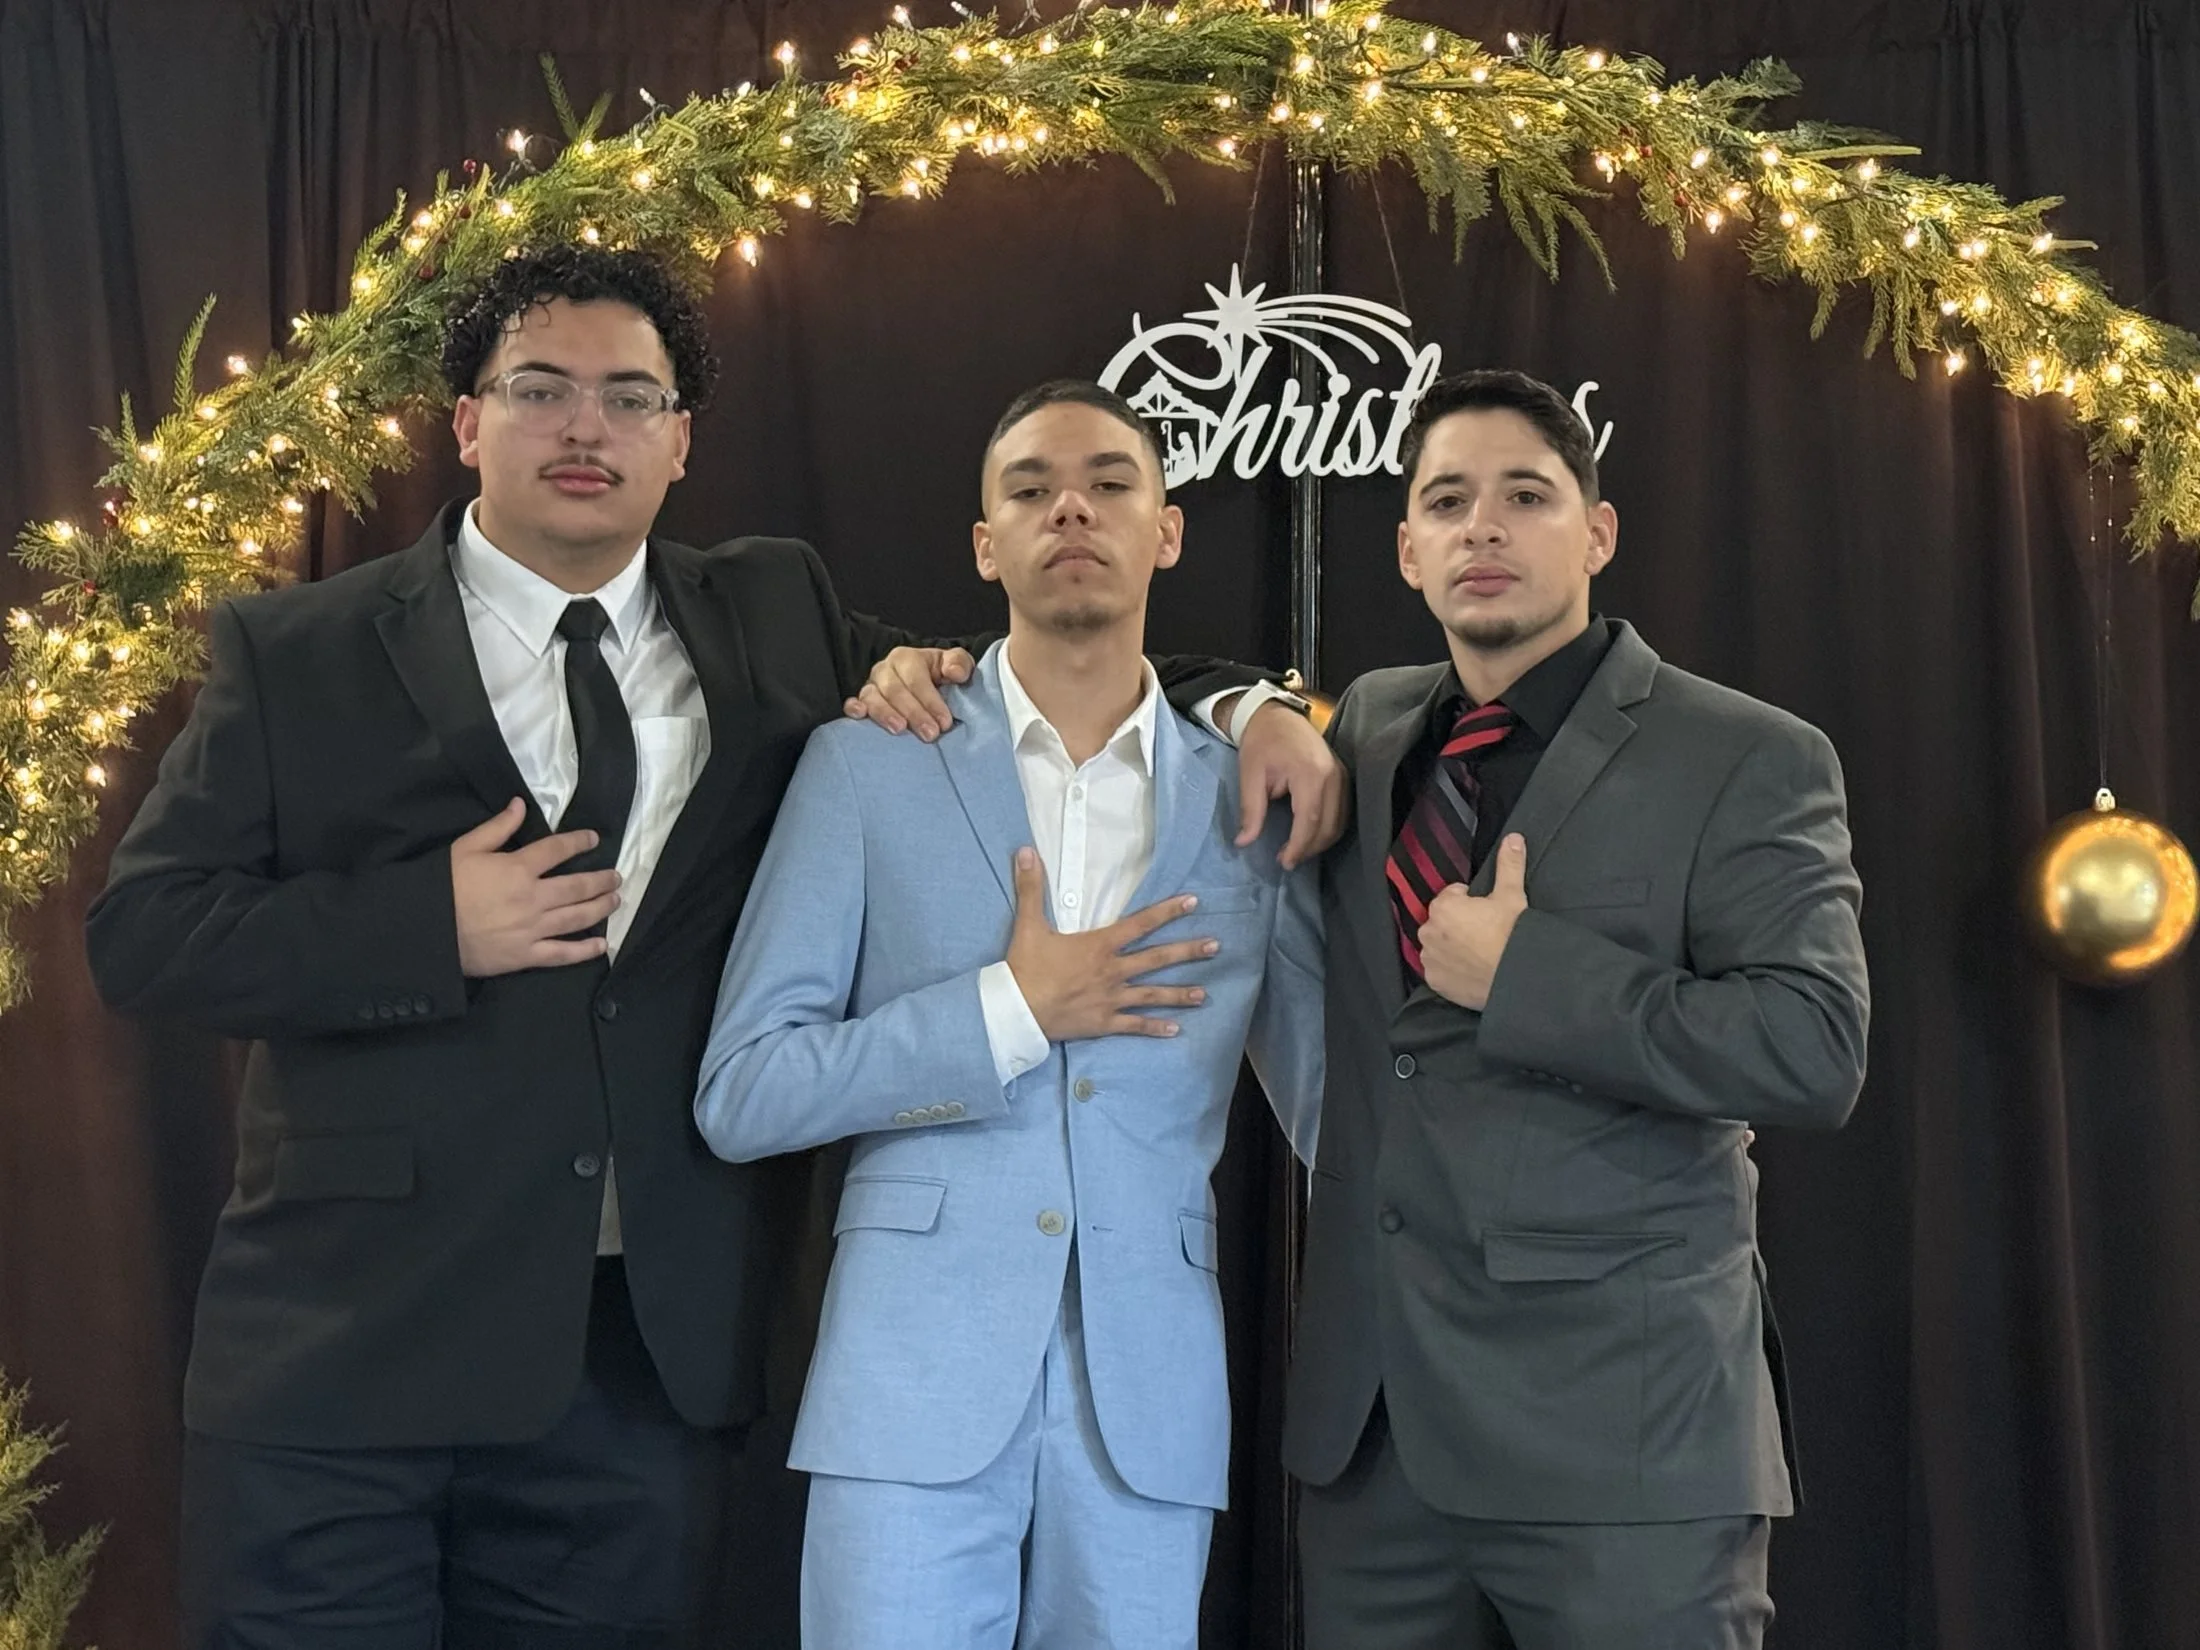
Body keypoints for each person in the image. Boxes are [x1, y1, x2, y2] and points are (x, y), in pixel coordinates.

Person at [82, 246, 1340, 1647]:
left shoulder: (772, 617)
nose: (584, 427)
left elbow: (1054, 660)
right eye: (540, 389)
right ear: (465, 423)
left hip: (634, 1361)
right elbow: (144, 933)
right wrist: (427, 922)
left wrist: (1260, 703)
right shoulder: (299, 646)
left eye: (630, 397)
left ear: (679, 441)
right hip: (348, 1348)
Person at [693, 380, 1325, 1650]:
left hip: (1148, 1404)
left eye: (1108, 481)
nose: (1070, 507)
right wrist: (1008, 1012)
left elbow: (1339, 1115)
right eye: (1030, 489)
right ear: (986, 545)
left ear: (1169, 529)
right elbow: (745, 1090)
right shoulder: (868, 760)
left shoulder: (1256, 796)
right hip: (905, 1387)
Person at [1284, 368, 1870, 1650]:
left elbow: (1814, 1048)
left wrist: (1531, 979)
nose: (1481, 528)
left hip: (1630, 1447)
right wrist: (1250, 705)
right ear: (1405, 549)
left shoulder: (1750, 756)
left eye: (1524, 497)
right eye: (1447, 501)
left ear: (1596, 533)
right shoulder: (1374, 724)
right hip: (1375, 1447)